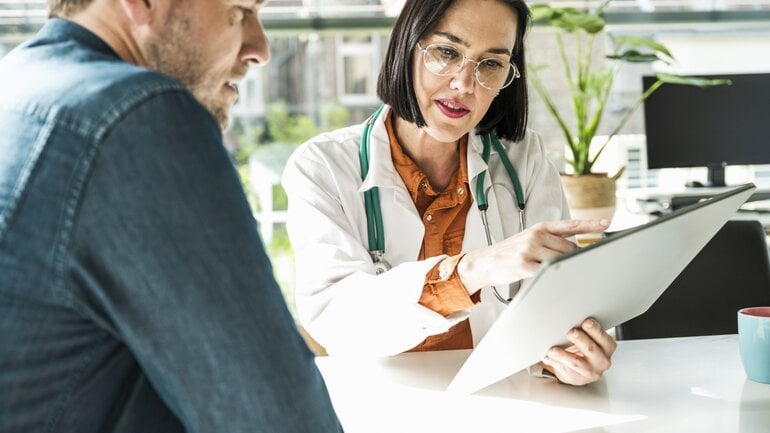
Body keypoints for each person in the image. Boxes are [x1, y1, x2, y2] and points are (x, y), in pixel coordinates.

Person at [0, 1, 342, 432]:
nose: (260, 49)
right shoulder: (135, 115)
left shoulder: (19, 83)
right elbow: (283, 421)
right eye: (239, 12)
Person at [282, 0, 616, 386]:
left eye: (490, 63)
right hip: (378, 408)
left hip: (506, 407)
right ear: (406, 46)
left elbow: (555, 314)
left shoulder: (525, 159)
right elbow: (335, 320)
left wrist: (572, 358)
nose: (465, 84)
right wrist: (473, 269)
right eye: (447, 52)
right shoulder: (321, 166)